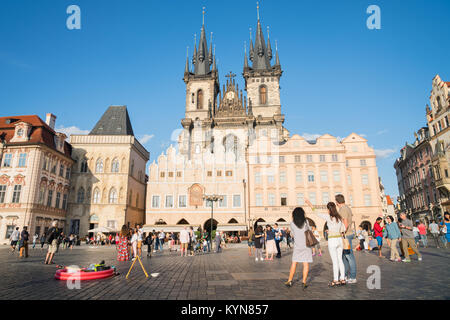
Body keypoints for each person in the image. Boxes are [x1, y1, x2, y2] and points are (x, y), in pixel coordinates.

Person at [306, 199, 346, 287]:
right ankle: (342, 278)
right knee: (340, 260)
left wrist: (310, 204)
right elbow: (344, 229)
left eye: (327, 209)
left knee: (335, 261)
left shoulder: (329, 217)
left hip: (332, 240)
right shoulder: (339, 218)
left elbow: (316, 213)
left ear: (329, 209)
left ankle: (336, 280)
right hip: (339, 240)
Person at [284, 207, 312, 289]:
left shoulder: (292, 223)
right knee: (305, 264)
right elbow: (310, 231)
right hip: (306, 245)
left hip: (297, 246)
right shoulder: (306, 222)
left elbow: (292, 234)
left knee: (294, 263)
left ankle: (289, 280)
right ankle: (304, 282)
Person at [335, 194, 357, 284]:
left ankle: (353, 276)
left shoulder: (343, 209)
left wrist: (342, 233)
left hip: (346, 235)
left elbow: (345, 222)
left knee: (349, 256)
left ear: (337, 202)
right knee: (344, 256)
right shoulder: (346, 207)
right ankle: (345, 275)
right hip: (347, 234)